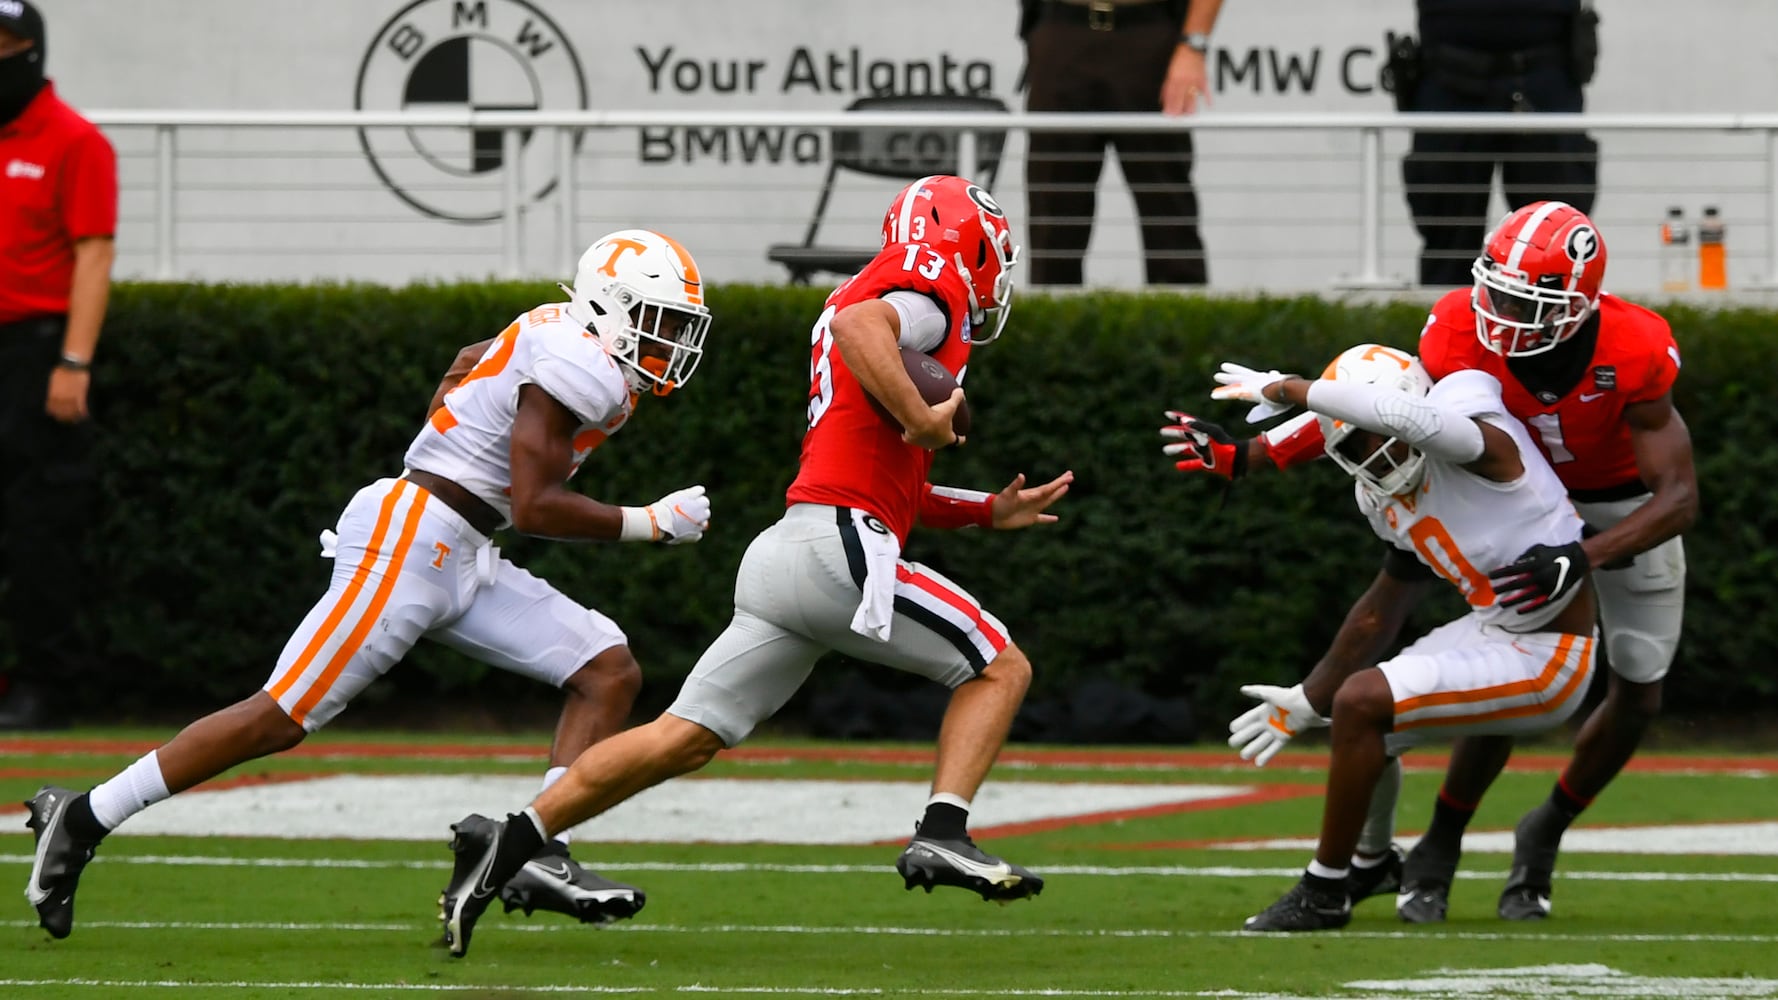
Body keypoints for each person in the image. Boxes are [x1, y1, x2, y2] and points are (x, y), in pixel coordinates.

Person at [435, 174, 1073, 958]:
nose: (996, 273)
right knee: (999, 668)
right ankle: (943, 831)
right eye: (995, 253)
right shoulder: (924, 281)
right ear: (965, 239)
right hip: (842, 548)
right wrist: (920, 416)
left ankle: (510, 840)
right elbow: (863, 327)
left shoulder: (876, 297)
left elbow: (888, 474)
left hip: (790, 552)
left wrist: (985, 508)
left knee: (682, 737)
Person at [23, 229, 718, 940]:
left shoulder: (560, 334)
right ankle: (81, 816)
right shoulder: (578, 358)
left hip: (462, 545)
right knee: (282, 715)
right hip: (414, 538)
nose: (667, 339)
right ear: (609, 303)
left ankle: (538, 850)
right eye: (656, 318)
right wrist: (648, 523)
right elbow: (536, 506)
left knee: (605, 668)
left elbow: (466, 363)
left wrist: (451, 434)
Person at [1162, 200, 1697, 922]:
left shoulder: (1632, 347)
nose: (1503, 313)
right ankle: (1437, 842)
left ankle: (1545, 829)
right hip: (1486, 498)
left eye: (1527, 301)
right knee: (1484, 663)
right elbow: (1381, 414)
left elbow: (1680, 497)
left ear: (1580, 305)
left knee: (1639, 685)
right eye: (1498, 290)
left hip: (1618, 508)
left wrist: (1583, 553)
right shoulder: (1455, 338)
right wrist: (1251, 454)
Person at [1201, 343, 1600, 932]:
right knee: (1355, 721)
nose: (1376, 453)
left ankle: (1324, 890)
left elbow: (1408, 418)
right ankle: (1369, 863)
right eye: (1355, 443)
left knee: (1364, 702)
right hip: (1496, 630)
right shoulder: (1379, 497)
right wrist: (1311, 697)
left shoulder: (1472, 430)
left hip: (1553, 653)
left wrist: (1289, 389)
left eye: (1375, 431)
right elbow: (1381, 608)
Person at [0, 0, 115, 730]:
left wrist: (73, 360)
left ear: (29, 52)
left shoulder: (74, 141)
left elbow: (93, 253)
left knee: (36, 523)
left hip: (35, 350)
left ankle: (44, 682)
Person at [1390, 0, 1601, 286]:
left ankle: (1560, 328)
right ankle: (1449, 328)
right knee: (1447, 240)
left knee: (1556, 243)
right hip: (1450, 76)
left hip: (1545, 74)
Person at [1019, 0, 1224, 286]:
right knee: (1054, 218)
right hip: (1062, 29)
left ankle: (1180, 330)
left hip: (1148, 35)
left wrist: (1194, 44)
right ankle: (1052, 328)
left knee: (1168, 213)